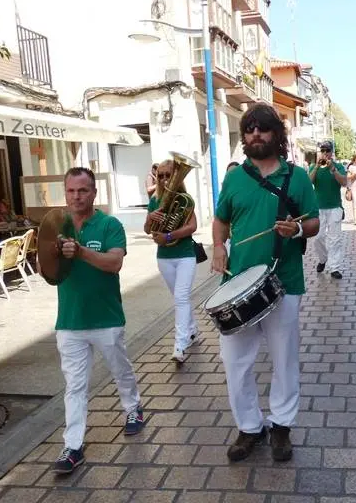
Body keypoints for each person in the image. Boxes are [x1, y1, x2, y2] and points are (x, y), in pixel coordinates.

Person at [211, 103, 319, 462]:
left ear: (277, 134)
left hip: (284, 280)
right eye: (249, 128)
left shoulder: (297, 177)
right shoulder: (235, 178)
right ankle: (249, 427)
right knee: (235, 360)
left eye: (263, 128)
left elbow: (315, 223)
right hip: (238, 282)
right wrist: (217, 247)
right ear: (244, 136)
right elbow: (221, 220)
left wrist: (298, 228)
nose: (256, 134)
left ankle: (282, 426)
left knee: (284, 358)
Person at [53, 167, 145, 474]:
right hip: (69, 321)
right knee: (74, 386)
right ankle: (73, 446)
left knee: (120, 370)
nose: (76, 196)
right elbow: (47, 269)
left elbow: (114, 262)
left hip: (106, 318)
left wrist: (79, 252)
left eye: (82, 190)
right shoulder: (56, 226)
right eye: (71, 191)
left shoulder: (109, 224)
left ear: (94, 193)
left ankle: (132, 409)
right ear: (65, 193)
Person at [144, 159, 199, 365]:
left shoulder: (185, 199)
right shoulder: (154, 200)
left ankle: (180, 345)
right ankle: (192, 329)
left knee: (181, 297)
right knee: (180, 298)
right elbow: (147, 230)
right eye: (161, 176)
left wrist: (169, 236)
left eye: (169, 175)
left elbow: (192, 226)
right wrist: (151, 218)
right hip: (164, 258)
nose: (165, 179)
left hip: (185, 254)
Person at [309, 141, 347, 279]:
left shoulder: (338, 167)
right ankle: (323, 259)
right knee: (318, 238)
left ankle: (334, 267)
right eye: (323, 150)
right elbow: (309, 183)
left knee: (335, 239)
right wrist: (317, 167)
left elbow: (344, 182)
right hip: (319, 208)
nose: (325, 153)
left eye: (328, 150)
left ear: (332, 152)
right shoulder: (314, 166)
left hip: (335, 207)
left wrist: (333, 169)